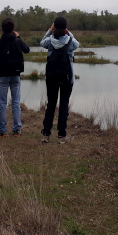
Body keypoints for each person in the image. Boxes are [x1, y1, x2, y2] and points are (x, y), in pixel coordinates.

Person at [40, 16, 79, 144]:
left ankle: (46, 134)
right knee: (63, 105)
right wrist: (67, 32)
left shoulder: (50, 41)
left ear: (54, 26)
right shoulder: (70, 42)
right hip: (67, 78)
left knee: (51, 104)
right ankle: (62, 136)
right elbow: (77, 44)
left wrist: (50, 30)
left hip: (51, 77)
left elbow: (42, 42)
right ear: (65, 28)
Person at [0, 18, 30, 137]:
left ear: (2, 30)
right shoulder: (17, 41)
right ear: (13, 29)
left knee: (2, 103)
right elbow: (27, 50)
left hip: (3, 75)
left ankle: (2, 129)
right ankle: (17, 129)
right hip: (16, 74)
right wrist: (18, 37)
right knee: (15, 102)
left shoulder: (0, 42)